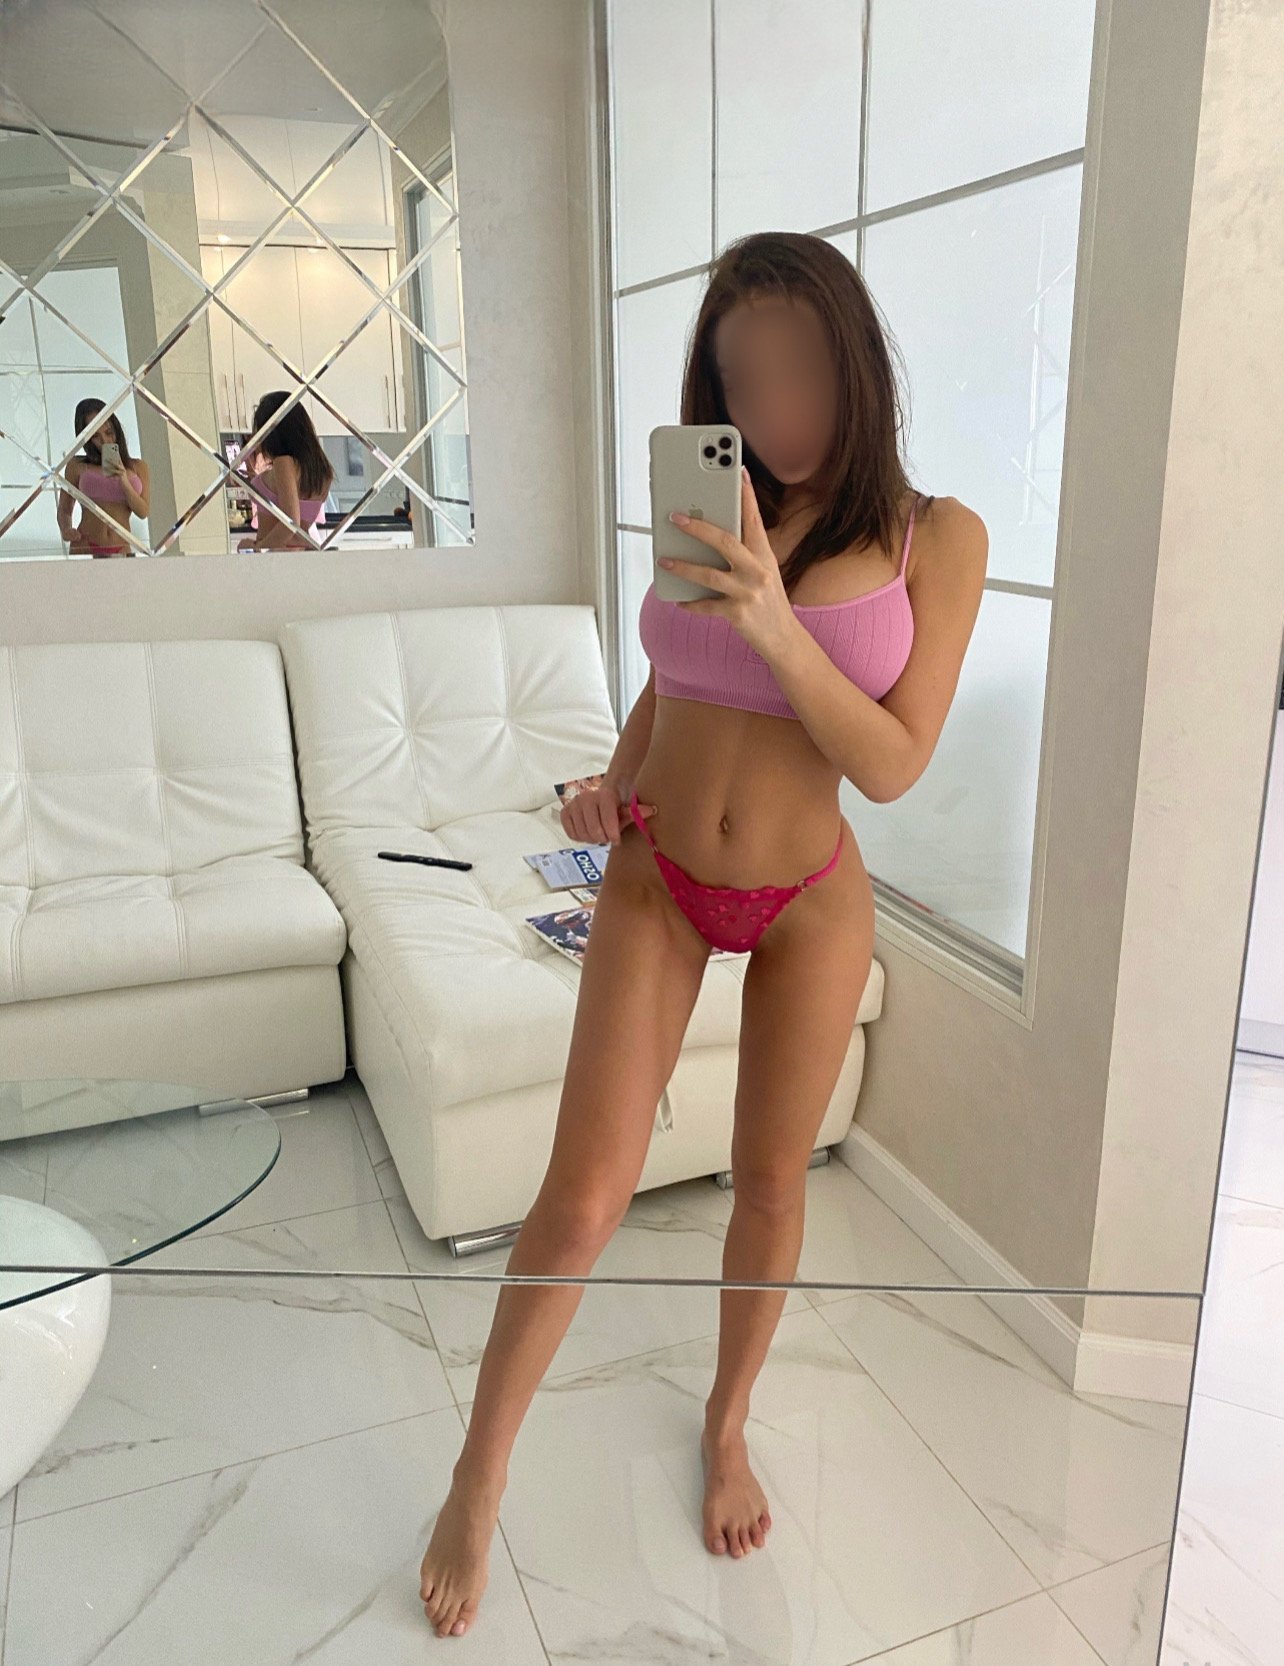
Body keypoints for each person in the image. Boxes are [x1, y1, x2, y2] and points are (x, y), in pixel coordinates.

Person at [417, 230, 989, 1639]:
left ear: (856, 358)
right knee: (582, 1196)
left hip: (810, 897)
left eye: (800, 369)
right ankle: (478, 1475)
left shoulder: (936, 536)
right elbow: (673, 678)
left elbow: (894, 761)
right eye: (744, 378)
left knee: (771, 1181)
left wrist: (781, 623)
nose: (775, 404)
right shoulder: (711, 508)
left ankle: (727, 1423)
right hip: (658, 874)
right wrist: (614, 778)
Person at [237, 391, 334, 550]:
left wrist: (257, 548)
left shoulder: (284, 462)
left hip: (276, 555)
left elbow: (290, 523)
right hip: (298, 554)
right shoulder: (322, 471)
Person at [56, 399, 150, 558]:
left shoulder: (138, 467)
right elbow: (65, 509)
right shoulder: (76, 465)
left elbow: (143, 512)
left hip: (122, 548)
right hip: (85, 545)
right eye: (95, 436)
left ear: (116, 429)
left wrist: (124, 481)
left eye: (108, 432)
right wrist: (66, 530)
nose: (105, 441)